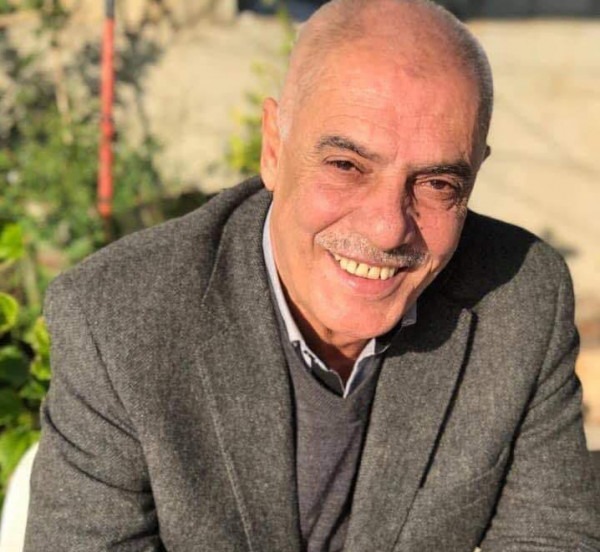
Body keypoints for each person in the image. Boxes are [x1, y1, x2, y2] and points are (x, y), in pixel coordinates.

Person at [24, 0, 600, 550]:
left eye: (437, 184)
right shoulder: (117, 318)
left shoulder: (518, 299)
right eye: (347, 165)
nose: (387, 229)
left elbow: (550, 538)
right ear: (274, 148)